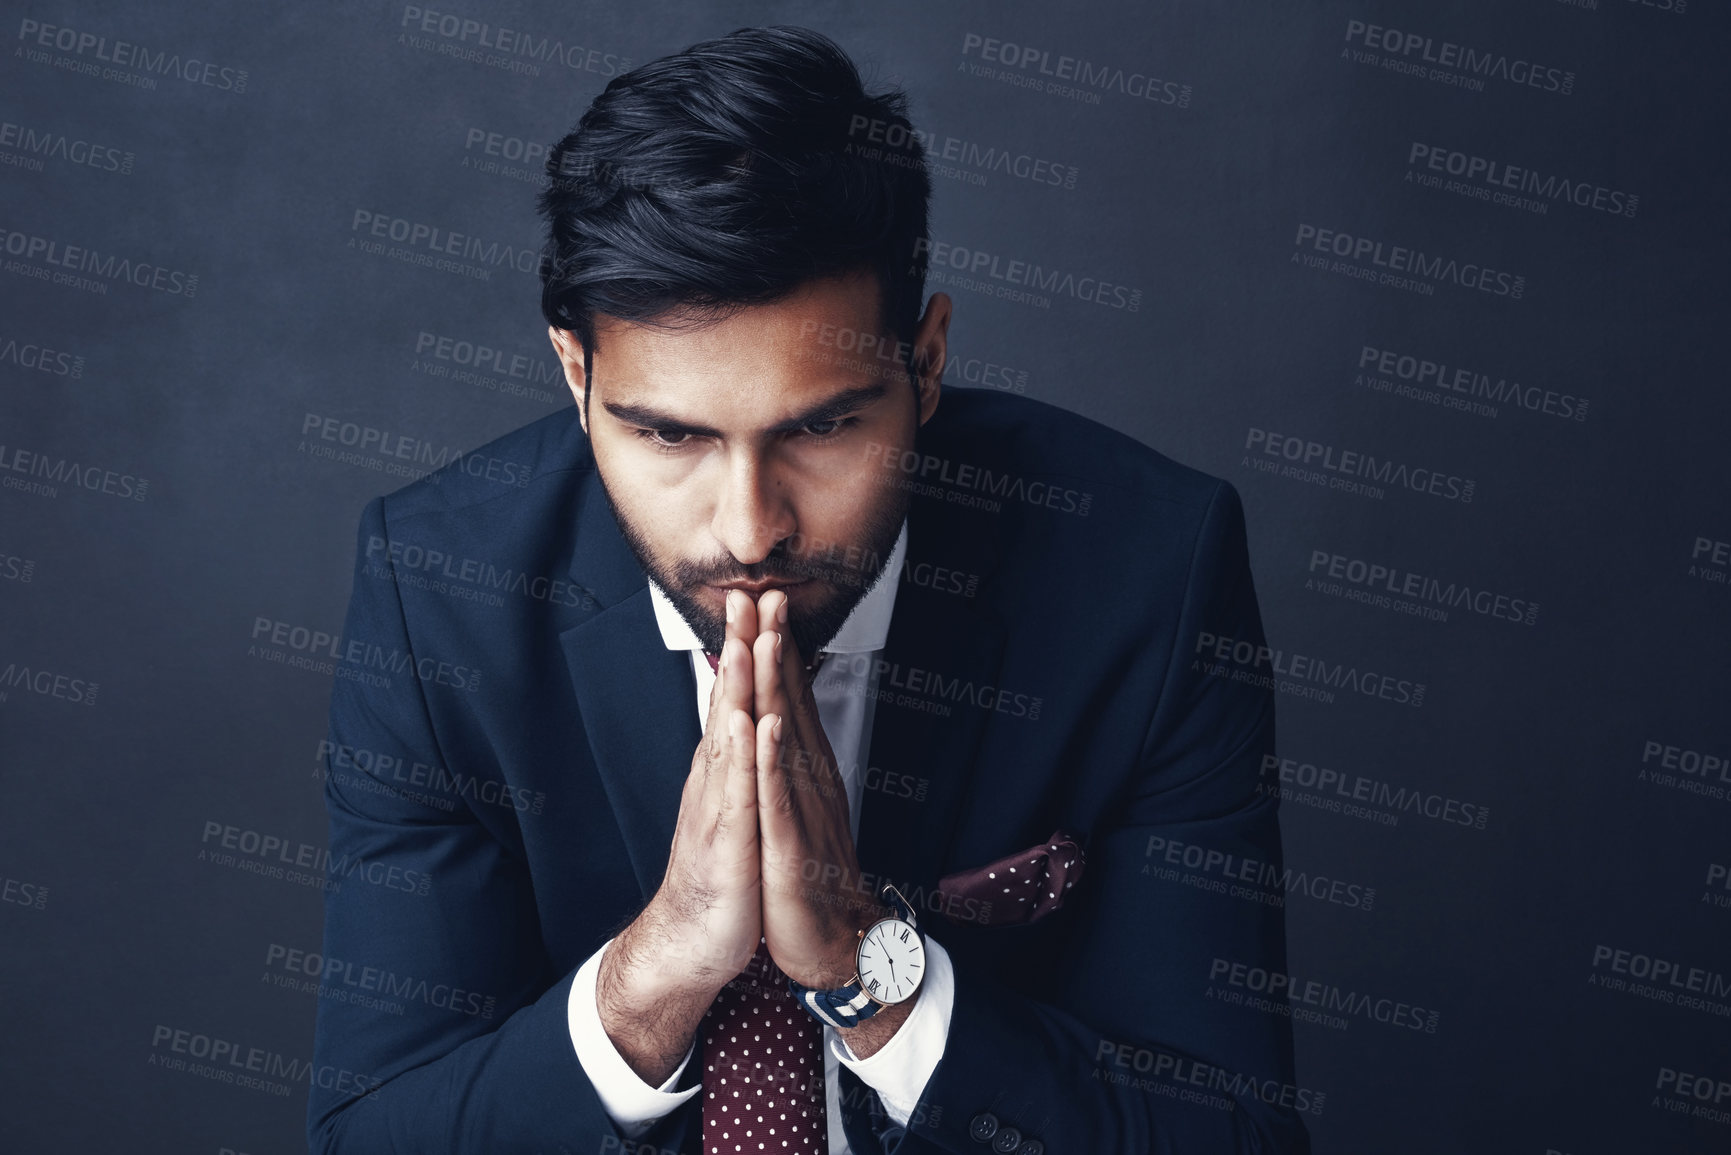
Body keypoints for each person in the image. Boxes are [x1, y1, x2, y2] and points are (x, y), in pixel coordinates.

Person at [307, 25, 1309, 1155]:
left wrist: (871, 971)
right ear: (576, 376)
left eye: (824, 427)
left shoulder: (1146, 572)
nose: (749, 526)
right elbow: (374, 1135)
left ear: (925, 365)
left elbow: (1229, 1137)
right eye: (666, 435)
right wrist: (658, 971)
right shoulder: (439, 596)